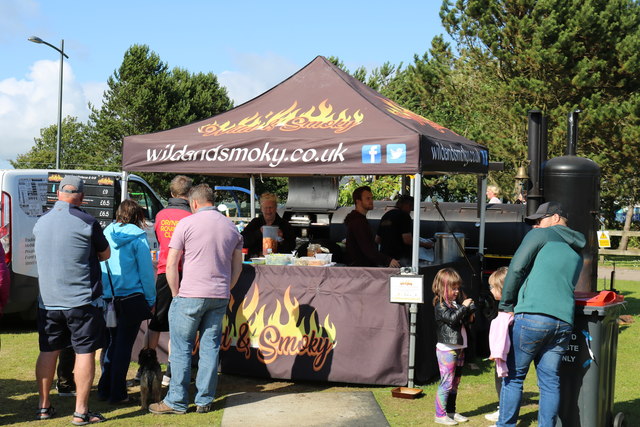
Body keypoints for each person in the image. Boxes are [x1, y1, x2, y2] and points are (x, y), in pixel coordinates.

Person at [149, 184, 243, 415]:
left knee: (181, 349)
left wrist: (174, 293)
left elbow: (171, 263)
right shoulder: (231, 227)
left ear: (194, 203)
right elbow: (237, 268)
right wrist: (226, 288)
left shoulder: (187, 223)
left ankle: (177, 401)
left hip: (190, 294)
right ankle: (204, 400)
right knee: (210, 348)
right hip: (218, 294)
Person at [497, 201, 585, 427]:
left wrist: (506, 304)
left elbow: (516, 268)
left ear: (555, 218)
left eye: (539, 220)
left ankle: (505, 425)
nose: (536, 225)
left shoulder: (540, 236)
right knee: (549, 382)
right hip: (563, 322)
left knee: (514, 377)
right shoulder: (577, 251)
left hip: (532, 316)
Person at [33, 175, 111, 424]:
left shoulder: (41, 221)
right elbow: (105, 253)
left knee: (48, 351)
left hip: (48, 300)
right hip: (80, 301)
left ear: (58, 194)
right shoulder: (87, 221)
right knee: (85, 352)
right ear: (82, 196)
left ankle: (44, 407)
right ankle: (81, 412)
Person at [98, 199, 156, 404]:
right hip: (130, 298)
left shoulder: (105, 233)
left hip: (108, 298)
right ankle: (117, 393)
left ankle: (104, 389)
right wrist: (150, 298)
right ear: (138, 216)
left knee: (110, 346)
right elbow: (146, 272)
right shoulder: (138, 237)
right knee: (122, 347)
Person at [146, 175, 193, 385]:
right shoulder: (191, 215)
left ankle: (147, 366)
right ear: (189, 194)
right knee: (180, 324)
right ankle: (171, 371)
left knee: (156, 322)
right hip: (187, 271)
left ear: (172, 194)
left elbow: (159, 239)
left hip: (165, 271)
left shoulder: (161, 215)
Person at [432, 267, 474, 425]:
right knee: (447, 382)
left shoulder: (455, 304)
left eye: (458, 288)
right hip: (447, 349)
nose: (457, 291)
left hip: (460, 347)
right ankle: (440, 414)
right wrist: (464, 307)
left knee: (455, 382)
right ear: (442, 287)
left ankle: (450, 411)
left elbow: (463, 320)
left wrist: (468, 312)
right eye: (453, 288)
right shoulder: (440, 306)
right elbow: (452, 320)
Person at [344, 186, 400, 268]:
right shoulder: (358, 222)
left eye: (371, 198)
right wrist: (388, 260)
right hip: (361, 270)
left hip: (360, 268)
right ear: (358, 201)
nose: (371, 201)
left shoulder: (358, 220)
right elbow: (367, 249)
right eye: (367, 198)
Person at [376, 195, 433, 266]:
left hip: (386, 259)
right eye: (411, 208)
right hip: (400, 260)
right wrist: (425, 244)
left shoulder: (386, 215)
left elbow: (377, 240)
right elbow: (407, 240)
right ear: (407, 205)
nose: (410, 211)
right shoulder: (404, 216)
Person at [485, 266, 508, 424]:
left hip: (503, 353)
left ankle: (504, 412)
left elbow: (504, 334)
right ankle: (502, 408)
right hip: (501, 352)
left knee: (504, 381)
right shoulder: (502, 305)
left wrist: (497, 352)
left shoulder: (507, 308)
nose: (491, 290)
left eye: (493, 287)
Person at [241, 192, 295, 258]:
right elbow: (242, 241)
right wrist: (259, 233)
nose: (268, 211)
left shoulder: (284, 225)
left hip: (277, 262)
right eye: (265, 208)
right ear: (261, 208)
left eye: (271, 207)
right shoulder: (255, 223)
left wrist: (281, 239)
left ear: (276, 208)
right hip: (256, 261)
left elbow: (292, 247)